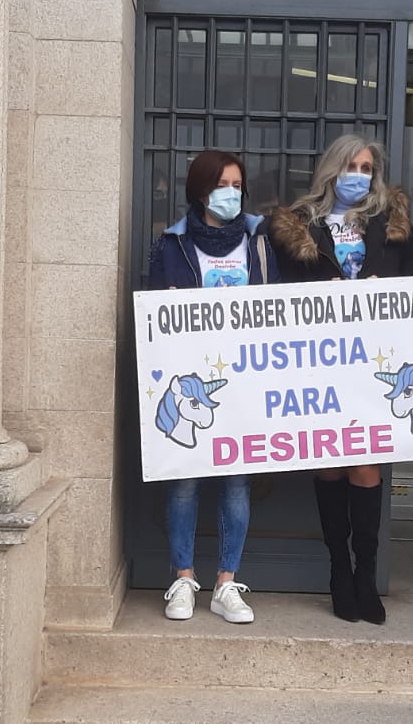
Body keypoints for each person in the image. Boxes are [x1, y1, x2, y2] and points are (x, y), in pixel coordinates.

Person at [267, 134, 413, 625]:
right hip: (322, 363)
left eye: (367, 167)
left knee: (366, 467)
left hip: (376, 365)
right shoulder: (298, 225)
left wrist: (391, 288)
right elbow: (277, 288)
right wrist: (323, 289)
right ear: (332, 170)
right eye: (352, 165)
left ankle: (366, 575)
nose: (360, 174)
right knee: (331, 466)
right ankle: (339, 572)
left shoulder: (393, 221)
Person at [146, 150, 280, 623]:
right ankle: (183, 578)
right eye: (223, 183)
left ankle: (226, 583)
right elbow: (155, 313)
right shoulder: (171, 244)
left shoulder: (260, 241)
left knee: (236, 484)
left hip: (244, 380)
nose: (232, 192)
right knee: (184, 482)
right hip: (191, 384)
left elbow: (277, 306)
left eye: (238, 183)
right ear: (202, 190)